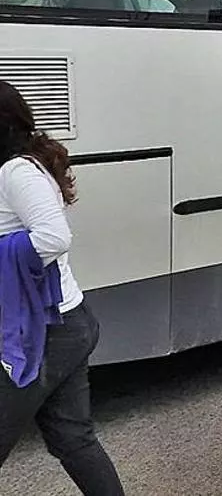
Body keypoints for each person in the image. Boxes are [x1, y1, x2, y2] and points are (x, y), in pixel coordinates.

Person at [0, 82, 126, 495]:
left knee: (74, 440)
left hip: (44, 332)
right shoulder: (13, 168)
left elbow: (54, 237)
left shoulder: (16, 171)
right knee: (73, 440)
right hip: (64, 324)